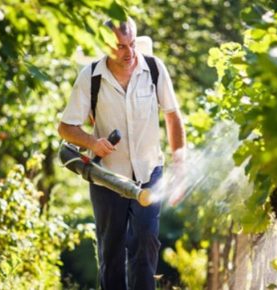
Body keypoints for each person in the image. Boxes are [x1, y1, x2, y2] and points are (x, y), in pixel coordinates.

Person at [58, 17, 186, 290]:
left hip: (148, 175)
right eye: (120, 46)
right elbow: (66, 128)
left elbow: (173, 116)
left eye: (131, 44)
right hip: (108, 179)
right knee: (111, 252)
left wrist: (180, 159)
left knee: (146, 243)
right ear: (106, 45)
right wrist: (93, 143)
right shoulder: (90, 77)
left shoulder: (153, 68)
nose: (129, 53)